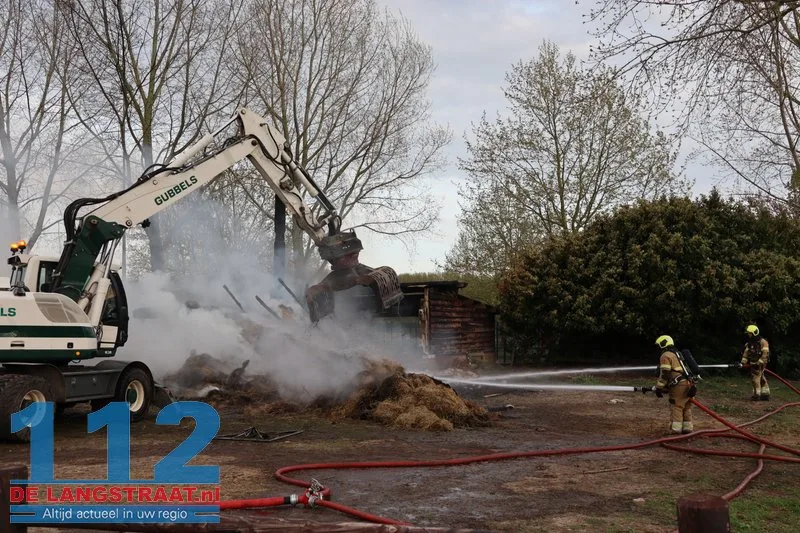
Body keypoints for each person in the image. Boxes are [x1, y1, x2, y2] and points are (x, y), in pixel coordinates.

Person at [653, 335, 697, 434]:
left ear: (663, 344)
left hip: (678, 386)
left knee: (676, 406)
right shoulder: (678, 354)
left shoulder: (666, 355)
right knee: (686, 407)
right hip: (689, 384)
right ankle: (687, 428)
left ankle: (675, 430)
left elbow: (665, 373)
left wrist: (659, 387)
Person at [740, 324, 770, 401]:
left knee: (755, 379)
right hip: (753, 363)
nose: (748, 335)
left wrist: (759, 363)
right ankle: (765, 394)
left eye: (750, 333)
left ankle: (756, 395)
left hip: (760, 363)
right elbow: (746, 352)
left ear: (754, 333)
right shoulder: (750, 343)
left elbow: (765, 354)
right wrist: (743, 361)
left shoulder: (763, 342)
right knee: (761, 377)